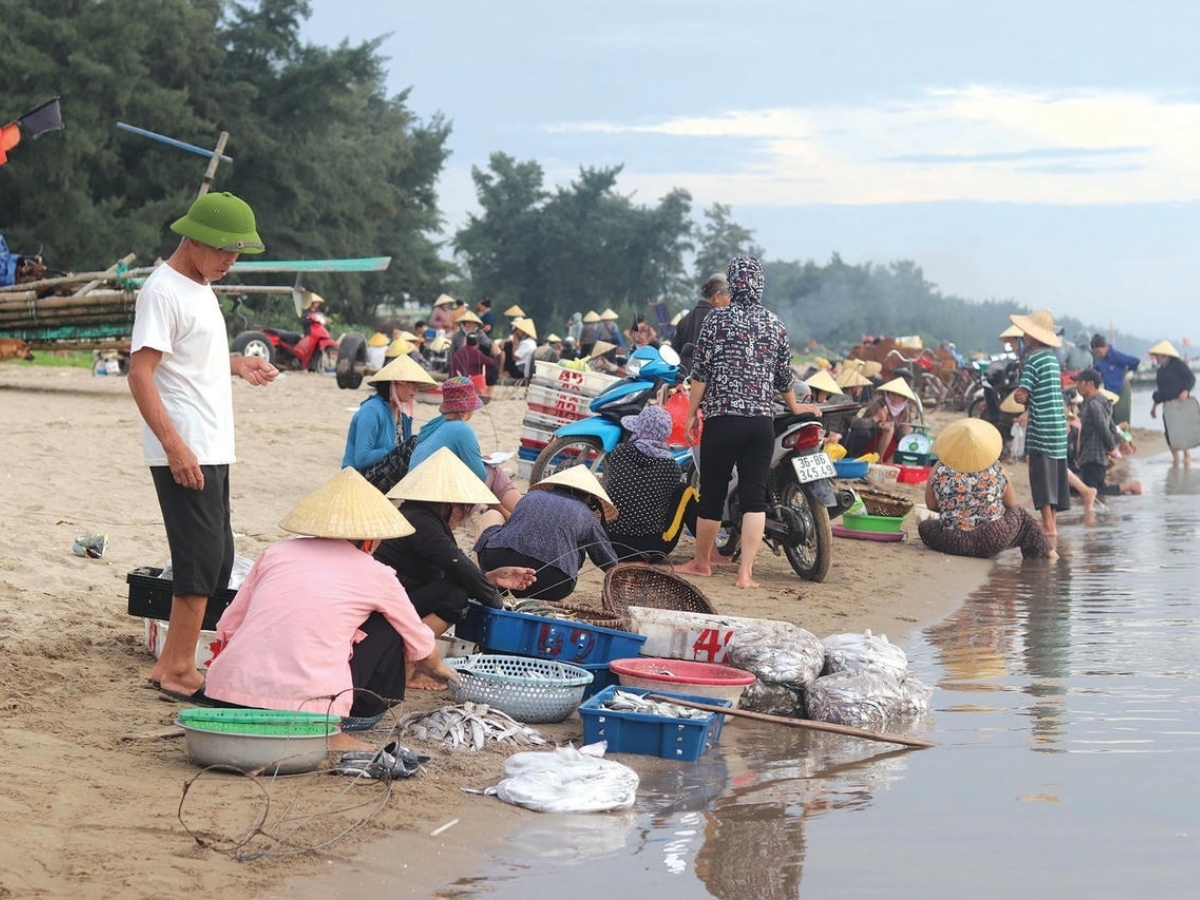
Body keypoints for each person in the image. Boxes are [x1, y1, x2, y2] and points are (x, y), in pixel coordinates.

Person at [128, 191, 278, 701]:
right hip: (186, 445)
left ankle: (173, 662)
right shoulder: (163, 290)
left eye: (238, 252)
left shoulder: (202, 287)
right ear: (193, 238)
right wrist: (174, 447)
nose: (231, 260)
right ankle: (176, 669)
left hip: (214, 445)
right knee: (197, 557)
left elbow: (190, 361)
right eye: (224, 250)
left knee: (217, 558)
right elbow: (141, 374)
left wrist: (240, 365)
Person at [203, 468, 458, 745]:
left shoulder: (276, 553)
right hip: (310, 710)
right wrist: (447, 673)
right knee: (387, 624)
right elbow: (422, 648)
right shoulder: (376, 573)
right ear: (370, 540)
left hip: (228, 697)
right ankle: (342, 725)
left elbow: (229, 624)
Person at [675, 254, 820, 589]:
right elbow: (785, 377)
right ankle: (746, 574)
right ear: (759, 285)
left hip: (722, 419)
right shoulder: (775, 324)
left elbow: (700, 374)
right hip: (760, 423)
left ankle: (701, 563)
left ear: (733, 283)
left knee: (711, 492)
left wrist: (690, 414)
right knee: (755, 497)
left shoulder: (715, 321)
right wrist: (795, 407)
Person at [375, 449, 536, 640]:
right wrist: (497, 602)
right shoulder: (421, 521)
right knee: (455, 597)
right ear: (452, 504)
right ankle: (406, 650)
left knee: (456, 588)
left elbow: (453, 569)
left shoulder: (420, 516)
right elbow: (457, 563)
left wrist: (490, 578)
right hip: (384, 602)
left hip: (398, 593)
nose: (463, 516)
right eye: (464, 508)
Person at [474, 467, 620, 601]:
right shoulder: (587, 515)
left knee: (492, 514)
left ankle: (483, 582)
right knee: (573, 548)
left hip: (498, 563)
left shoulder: (531, 496)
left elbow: (510, 529)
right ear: (589, 497)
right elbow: (607, 561)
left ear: (554, 485)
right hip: (553, 583)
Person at [917, 419, 1052, 559]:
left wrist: (958, 508)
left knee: (925, 526)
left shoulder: (938, 468)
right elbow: (1011, 503)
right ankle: (1046, 556)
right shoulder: (997, 468)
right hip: (991, 538)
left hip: (953, 541)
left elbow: (931, 505)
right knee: (1022, 516)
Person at [408, 376, 521, 516]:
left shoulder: (434, 425)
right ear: (465, 409)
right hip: (441, 506)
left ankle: (508, 515)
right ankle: (523, 512)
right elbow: (480, 475)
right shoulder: (461, 429)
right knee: (494, 471)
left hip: (414, 498)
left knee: (487, 469)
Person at [602, 406, 697, 562]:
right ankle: (707, 550)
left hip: (609, 544)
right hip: (651, 549)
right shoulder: (671, 467)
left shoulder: (619, 453)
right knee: (685, 491)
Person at [1010, 309, 1070, 554]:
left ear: (1034, 337)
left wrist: (1018, 395)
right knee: (1054, 476)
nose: (1024, 335)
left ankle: (1047, 526)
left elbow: (1023, 392)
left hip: (1042, 424)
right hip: (1058, 425)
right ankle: (1052, 523)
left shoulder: (1033, 360)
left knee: (1042, 477)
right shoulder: (1053, 359)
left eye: (1027, 332)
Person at [342, 354, 438, 492]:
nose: (416, 389)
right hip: (359, 478)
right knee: (413, 444)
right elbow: (362, 459)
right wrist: (393, 449)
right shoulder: (371, 411)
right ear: (395, 383)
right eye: (412, 383)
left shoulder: (403, 413)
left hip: (385, 474)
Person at [1073, 368, 1143, 496]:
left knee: (1095, 492)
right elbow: (1112, 428)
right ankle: (1129, 487)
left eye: (1079, 382)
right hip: (1095, 457)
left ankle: (1131, 486)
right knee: (1093, 489)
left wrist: (1111, 448)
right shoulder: (1101, 403)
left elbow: (1104, 429)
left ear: (1090, 384)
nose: (1076, 385)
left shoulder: (1094, 405)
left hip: (1092, 456)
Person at [1148, 339, 1197, 466]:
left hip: (1181, 403)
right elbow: (1160, 391)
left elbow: (1191, 378)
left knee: (1182, 430)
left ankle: (1186, 456)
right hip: (1168, 406)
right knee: (1170, 433)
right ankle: (1175, 460)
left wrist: (1186, 391)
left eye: (1157, 355)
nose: (1155, 358)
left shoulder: (1178, 364)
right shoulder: (1160, 371)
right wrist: (1154, 407)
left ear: (1164, 354)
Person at [847, 377, 916, 462]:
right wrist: (879, 424)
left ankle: (889, 462)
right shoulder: (878, 404)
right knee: (890, 429)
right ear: (887, 394)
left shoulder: (904, 411)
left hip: (893, 447)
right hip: (874, 441)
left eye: (899, 396)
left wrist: (906, 432)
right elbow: (865, 424)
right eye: (892, 394)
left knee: (905, 440)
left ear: (904, 398)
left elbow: (903, 433)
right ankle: (879, 459)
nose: (895, 398)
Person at [674, 273, 731, 376]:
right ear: (717, 296)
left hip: (681, 382)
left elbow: (675, 353)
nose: (731, 302)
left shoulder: (685, 320)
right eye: (729, 296)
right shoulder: (719, 322)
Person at [1089, 333, 1139, 426]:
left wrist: (1125, 373)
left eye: (1099, 352)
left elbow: (1135, 361)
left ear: (1106, 347)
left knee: (1122, 422)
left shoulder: (1116, 356)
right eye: (1095, 353)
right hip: (1108, 394)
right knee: (1110, 423)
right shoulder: (1100, 360)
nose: (1098, 355)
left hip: (1121, 393)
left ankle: (1127, 440)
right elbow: (1095, 370)